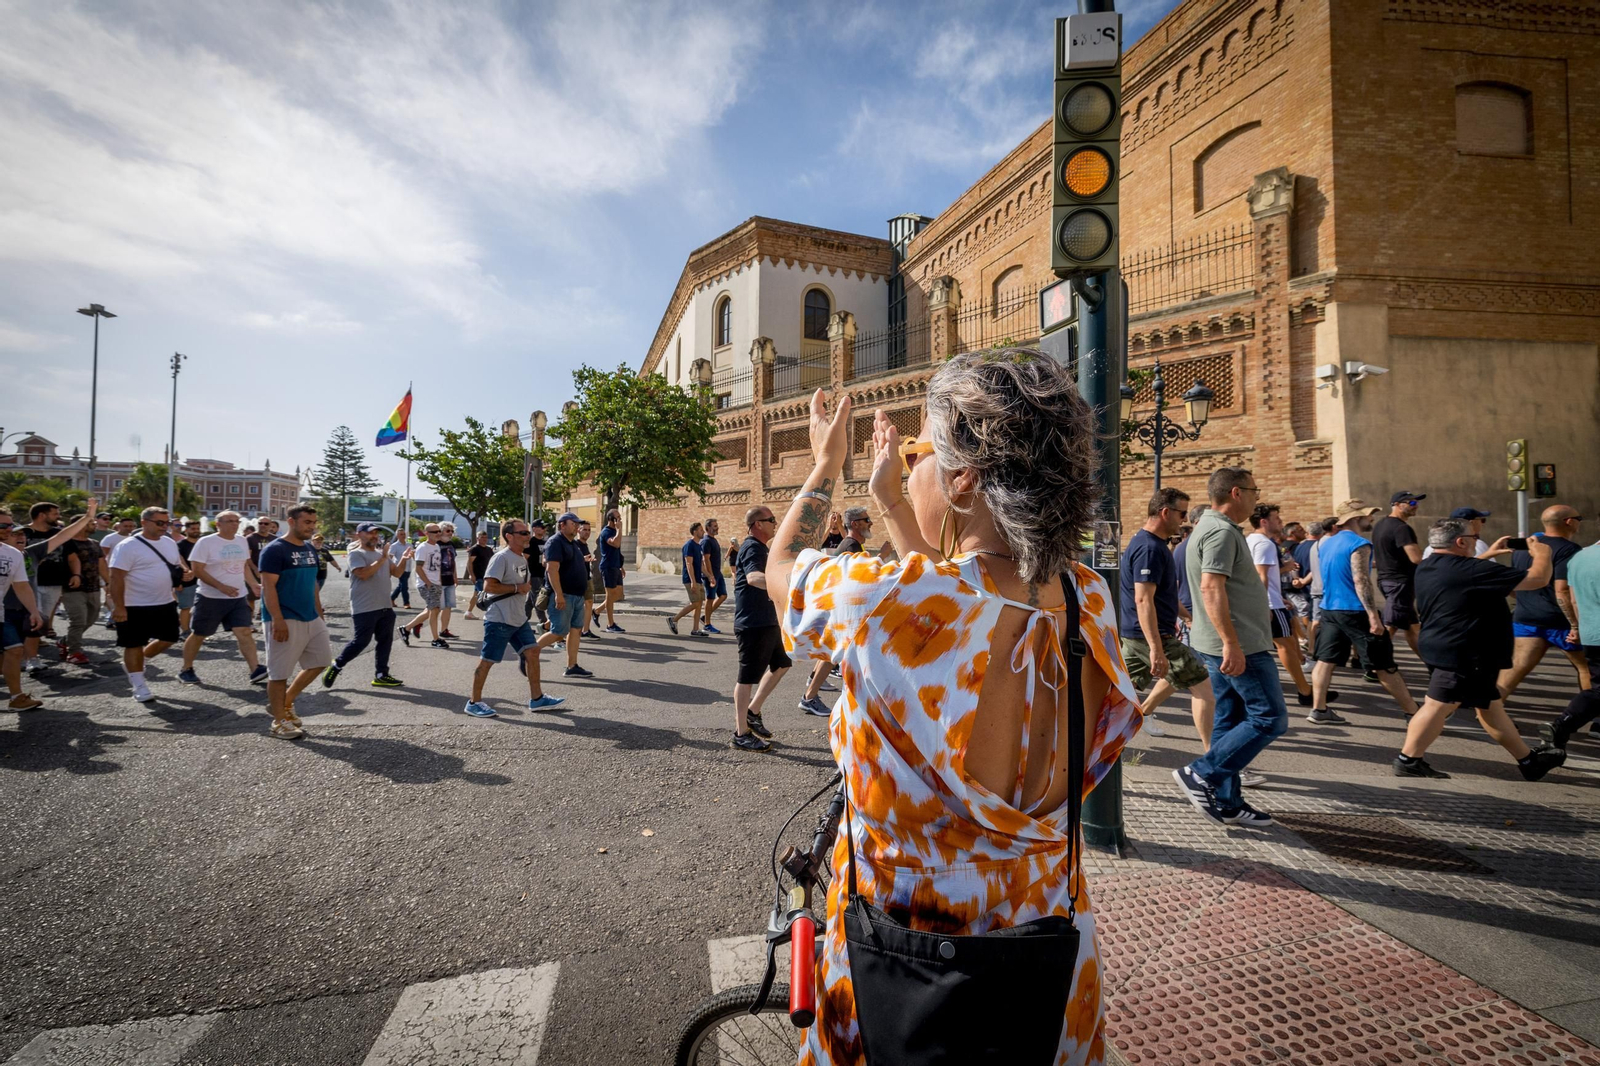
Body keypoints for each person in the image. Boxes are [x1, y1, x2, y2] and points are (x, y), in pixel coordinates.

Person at [771, 356, 1142, 1063]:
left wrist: (826, 464)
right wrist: (895, 505)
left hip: (903, 960)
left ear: (965, 477)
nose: (910, 467)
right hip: (1046, 953)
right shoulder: (1088, 598)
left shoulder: (878, 597)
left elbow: (781, 561)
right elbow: (961, 611)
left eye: (920, 454)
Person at [1397, 519, 1567, 781]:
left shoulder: (1429, 565)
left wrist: (1486, 555)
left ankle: (1529, 760)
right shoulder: (1471, 571)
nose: (1477, 540)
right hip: (1464, 651)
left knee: (1489, 706)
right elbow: (1537, 578)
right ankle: (1408, 760)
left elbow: (1464, 573)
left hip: (1449, 646)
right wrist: (1542, 553)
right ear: (1460, 542)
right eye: (1474, 537)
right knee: (1437, 706)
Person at [1175, 468, 1284, 827]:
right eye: (1254, 490)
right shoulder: (1220, 531)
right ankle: (1201, 773)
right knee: (1269, 718)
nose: (1257, 497)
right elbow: (1210, 587)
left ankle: (1227, 802)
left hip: (1225, 643)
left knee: (1229, 720)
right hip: (1239, 646)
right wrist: (1231, 644)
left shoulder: (1210, 528)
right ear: (1236, 493)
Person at [1119, 487, 1219, 747]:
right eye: (1182, 513)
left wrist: (1188, 617)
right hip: (1150, 636)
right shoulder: (1150, 548)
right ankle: (1215, 762)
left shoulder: (1152, 545)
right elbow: (1143, 599)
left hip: (1139, 634)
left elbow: (1164, 596)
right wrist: (1156, 648)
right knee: (1205, 692)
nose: (1184, 520)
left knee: (1115, 695)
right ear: (1165, 512)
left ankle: (1093, 743)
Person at [1309, 500, 1420, 723]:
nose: (1371, 518)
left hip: (1330, 608)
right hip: (1354, 610)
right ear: (1355, 518)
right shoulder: (1359, 543)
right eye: (1368, 515)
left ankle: (1319, 709)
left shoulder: (1326, 543)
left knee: (1325, 660)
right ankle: (1414, 713)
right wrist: (1372, 615)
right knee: (1383, 665)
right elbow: (1360, 580)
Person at [463, 520, 565, 718]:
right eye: (523, 533)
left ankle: (537, 699)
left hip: (518, 619)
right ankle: (473, 702)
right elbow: (489, 587)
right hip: (499, 619)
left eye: (528, 533)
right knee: (488, 660)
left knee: (533, 651)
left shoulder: (521, 558)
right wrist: (518, 589)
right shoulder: (501, 558)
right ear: (509, 536)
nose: (528, 536)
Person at [3, 503, 98, 709]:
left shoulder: (28, 554)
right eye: (13, 533)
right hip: (5, 612)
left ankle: (17, 695)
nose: (20, 537)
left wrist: (87, 517)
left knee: (14, 651)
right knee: (13, 651)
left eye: (22, 534)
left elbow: (61, 537)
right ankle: (16, 695)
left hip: (22, 610)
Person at [1499, 505, 1590, 699]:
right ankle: (1594, 719)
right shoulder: (1570, 550)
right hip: (1560, 622)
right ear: (1569, 522)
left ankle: (1488, 712)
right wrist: (1575, 625)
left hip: (1526, 620)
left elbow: (1514, 586)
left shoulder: (1525, 547)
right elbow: (1562, 590)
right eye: (1578, 518)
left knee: (1512, 672)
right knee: (1586, 668)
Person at [258, 505, 331, 740]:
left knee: (320, 661)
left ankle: (285, 702)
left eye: (313, 522)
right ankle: (279, 721)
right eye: (307, 522)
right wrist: (277, 620)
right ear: (291, 521)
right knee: (279, 673)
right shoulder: (275, 550)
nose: (311, 526)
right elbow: (268, 588)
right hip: (285, 618)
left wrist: (319, 613)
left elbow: (313, 585)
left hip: (310, 616)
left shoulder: (310, 548)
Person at [178, 511, 267, 686]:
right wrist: (221, 587)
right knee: (199, 634)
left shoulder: (242, 540)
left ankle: (255, 669)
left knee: (244, 631)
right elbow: (197, 569)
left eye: (237, 521)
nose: (235, 524)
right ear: (218, 524)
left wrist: (253, 584)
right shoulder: (206, 542)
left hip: (237, 596)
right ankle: (186, 669)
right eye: (230, 521)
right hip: (210, 597)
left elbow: (243, 567)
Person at [107, 506, 184, 703]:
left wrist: (182, 576)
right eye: (159, 523)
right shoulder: (127, 546)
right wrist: (119, 607)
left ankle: (140, 662)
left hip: (165, 601)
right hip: (133, 605)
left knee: (170, 638)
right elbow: (116, 578)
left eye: (167, 523)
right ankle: (138, 684)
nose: (164, 527)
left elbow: (175, 564)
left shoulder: (168, 542)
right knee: (133, 644)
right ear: (144, 522)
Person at [728, 505, 789, 749]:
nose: (775, 523)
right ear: (758, 525)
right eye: (771, 519)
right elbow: (753, 578)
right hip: (753, 623)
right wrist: (788, 585)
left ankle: (753, 711)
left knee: (783, 664)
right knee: (746, 678)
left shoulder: (762, 547)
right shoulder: (752, 547)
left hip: (768, 621)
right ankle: (741, 733)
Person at [323, 522, 408, 690]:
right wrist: (383, 558)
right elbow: (362, 574)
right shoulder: (356, 554)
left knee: (385, 641)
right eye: (370, 533)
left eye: (376, 532)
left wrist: (404, 559)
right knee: (361, 641)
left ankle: (381, 675)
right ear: (359, 534)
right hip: (365, 607)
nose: (374, 535)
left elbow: (397, 573)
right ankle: (337, 665)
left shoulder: (381, 554)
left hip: (384, 606)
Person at [1246, 503, 1315, 707]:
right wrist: (1266, 603)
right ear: (1264, 521)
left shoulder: (1251, 540)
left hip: (1271, 600)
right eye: (1277, 518)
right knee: (1286, 645)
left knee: (1287, 643)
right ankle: (1305, 690)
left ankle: (1305, 689)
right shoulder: (1265, 544)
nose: (1281, 522)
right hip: (1269, 604)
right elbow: (1261, 576)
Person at [1544, 537, 1600, 749]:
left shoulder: (1579, 556)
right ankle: (1561, 725)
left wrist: (1577, 627)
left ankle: (1562, 727)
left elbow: (1573, 599)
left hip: (1591, 633)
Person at [534, 512, 592, 679]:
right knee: (559, 632)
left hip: (576, 595)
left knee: (575, 630)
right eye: (573, 523)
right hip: (564, 595)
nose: (576, 525)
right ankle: (530, 652)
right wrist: (559, 595)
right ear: (562, 525)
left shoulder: (572, 543)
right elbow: (552, 569)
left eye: (577, 523)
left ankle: (572, 666)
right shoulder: (555, 542)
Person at [1372, 491, 1425, 657]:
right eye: (1411, 503)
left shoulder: (1381, 525)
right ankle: (1375, 665)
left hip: (1388, 580)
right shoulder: (1402, 528)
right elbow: (1416, 558)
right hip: (1399, 583)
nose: (1415, 506)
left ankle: (1432, 665)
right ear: (1396, 504)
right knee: (1390, 626)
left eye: (1416, 503)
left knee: (1412, 627)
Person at [23, 502, 66, 668]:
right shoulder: (21, 533)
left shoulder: (58, 533)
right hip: (27, 584)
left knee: (40, 622)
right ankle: (27, 659)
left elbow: (70, 555)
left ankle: (30, 658)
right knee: (29, 622)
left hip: (53, 583)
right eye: (55, 514)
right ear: (42, 515)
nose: (58, 517)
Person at [60, 515, 106, 665]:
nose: (95, 525)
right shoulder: (66, 543)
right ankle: (74, 652)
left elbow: (102, 564)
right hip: (72, 588)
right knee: (78, 620)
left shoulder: (95, 543)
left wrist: (109, 583)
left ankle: (65, 641)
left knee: (91, 618)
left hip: (94, 588)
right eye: (91, 523)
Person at [400, 524, 448, 649]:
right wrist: (428, 583)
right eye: (435, 532)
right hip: (427, 584)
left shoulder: (436, 546)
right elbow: (419, 568)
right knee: (435, 610)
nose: (438, 533)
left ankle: (406, 628)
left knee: (430, 610)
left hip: (436, 583)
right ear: (426, 533)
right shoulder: (423, 547)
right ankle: (435, 639)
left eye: (439, 531)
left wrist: (439, 581)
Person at [668, 521, 708, 636]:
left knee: (699, 603)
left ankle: (695, 629)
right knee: (695, 603)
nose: (703, 531)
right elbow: (689, 564)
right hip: (690, 579)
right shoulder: (689, 545)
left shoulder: (699, 545)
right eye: (701, 530)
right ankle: (674, 619)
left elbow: (700, 565)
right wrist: (693, 582)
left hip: (698, 579)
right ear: (695, 532)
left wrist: (709, 576)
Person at [98, 515, 136, 626]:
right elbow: (102, 556)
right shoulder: (110, 538)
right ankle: (112, 614)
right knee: (111, 593)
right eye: (126, 526)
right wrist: (104, 572)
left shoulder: (136, 538)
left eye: (131, 526)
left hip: (131, 572)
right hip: (113, 570)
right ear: (119, 526)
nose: (129, 528)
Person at [1173, 502, 1208, 617]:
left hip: (1187, 607)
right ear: (1198, 523)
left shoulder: (1179, 549)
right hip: (1199, 609)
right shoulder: (1204, 546)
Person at [1423, 507, 1492, 559]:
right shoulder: (1476, 545)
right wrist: (1490, 554)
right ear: (1472, 523)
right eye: (1482, 520)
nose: (1482, 524)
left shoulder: (1431, 547)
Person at [597, 509, 626, 633]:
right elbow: (616, 544)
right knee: (610, 595)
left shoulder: (615, 531)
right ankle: (610, 624)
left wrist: (621, 565)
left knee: (618, 594)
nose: (620, 520)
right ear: (611, 519)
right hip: (608, 566)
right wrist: (619, 530)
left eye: (620, 517)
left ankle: (596, 611)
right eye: (617, 518)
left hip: (615, 566)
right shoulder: (606, 532)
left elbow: (617, 551)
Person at [699, 518, 727, 634]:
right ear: (708, 528)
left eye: (717, 525)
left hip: (717, 573)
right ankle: (707, 624)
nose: (717, 528)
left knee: (723, 595)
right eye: (714, 526)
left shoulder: (713, 540)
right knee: (710, 599)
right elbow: (706, 559)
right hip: (711, 575)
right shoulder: (706, 541)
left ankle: (706, 617)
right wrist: (710, 576)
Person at [174, 518, 203, 634]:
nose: (196, 531)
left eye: (198, 528)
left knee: (199, 607)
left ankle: (195, 630)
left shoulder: (202, 543)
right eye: (193, 529)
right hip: (186, 579)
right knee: (186, 607)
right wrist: (188, 571)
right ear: (186, 530)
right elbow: (179, 560)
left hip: (203, 580)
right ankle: (185, 631)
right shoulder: (180, 545)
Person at [577, 519, 603, 638]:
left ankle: (585, 630)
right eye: (584, 530)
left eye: (589, 530)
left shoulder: (585, 545)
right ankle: (549, 627)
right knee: (572, 607)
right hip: (577, 580)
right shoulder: (575, 544)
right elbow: (571, 560)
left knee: (589, 603)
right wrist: (583, 559)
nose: (587, 532)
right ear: (578, 530)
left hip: (587, 578)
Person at [462, 531, 494, 621]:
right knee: (485, 595)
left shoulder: (488, 549)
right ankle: (490, 614)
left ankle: (468, 612)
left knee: (476, 595)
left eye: (485, 537)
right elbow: (469, 563)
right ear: (477, 538)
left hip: (486, 575)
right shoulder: (475, 549)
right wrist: (472, 575)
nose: (484, 539)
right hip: (478, 576)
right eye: (482, 537)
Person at [436, 522, 459, 639]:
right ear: (440, 532)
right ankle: (410, 626)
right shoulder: (435, 545)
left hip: (449, 580)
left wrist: (455, 576)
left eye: (451, 531)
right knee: (435, 608)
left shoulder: (451, 544)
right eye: (447, 531)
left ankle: (444, 630)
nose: (450, 533)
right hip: (438, 581)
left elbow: (453, 561)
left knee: (448, 606)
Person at [388, 528, 414, 607]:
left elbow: (413, 555)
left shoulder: (409, 545)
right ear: (397, 536)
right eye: (401, 534)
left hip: (408, 568)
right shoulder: (394, 546)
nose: (403, 536)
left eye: (404, 534)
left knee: (401, 585)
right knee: (404, 586)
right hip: (399, 568)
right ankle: (406, 603)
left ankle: (391, 599)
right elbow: (390, 557)